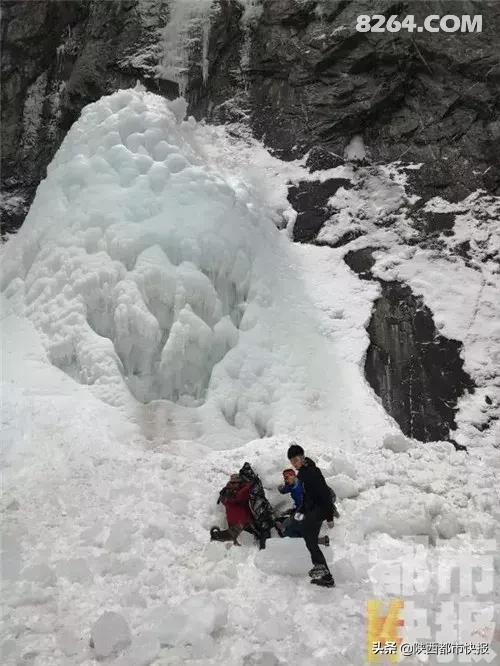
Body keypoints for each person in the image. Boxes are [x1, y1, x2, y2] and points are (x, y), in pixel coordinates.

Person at [287, 443, 335, 588]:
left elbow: (325, 494)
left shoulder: (312, 472)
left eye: (295, 460)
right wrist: (300, 510)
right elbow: (307, 496)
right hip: (313, 508)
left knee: (308, 535)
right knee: (310, 538)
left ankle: (320, 567)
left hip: (320, 509)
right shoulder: (303, 472)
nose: (294, 463)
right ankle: (326, 577)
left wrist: (330, 516)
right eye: (291, 461)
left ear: (302, 457)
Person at [278, 469, 329, 546]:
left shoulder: (303, 485)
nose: (285, 480)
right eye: (284, 478)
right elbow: (285, 489)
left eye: (287, 477)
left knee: (290, 532)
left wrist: (287, 521)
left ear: (293, 476)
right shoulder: (291, 485)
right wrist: (281, 489)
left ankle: (320, 541)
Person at [210, 474, 255, 545]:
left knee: (238, 540)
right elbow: (238, 497)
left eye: (236, 482)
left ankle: (216, 536)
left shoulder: (229, 490)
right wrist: (249, 485)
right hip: (240, 523)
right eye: (233, 482)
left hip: (240, 521)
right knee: (241, 541)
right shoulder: (230, 492)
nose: (235, 484)